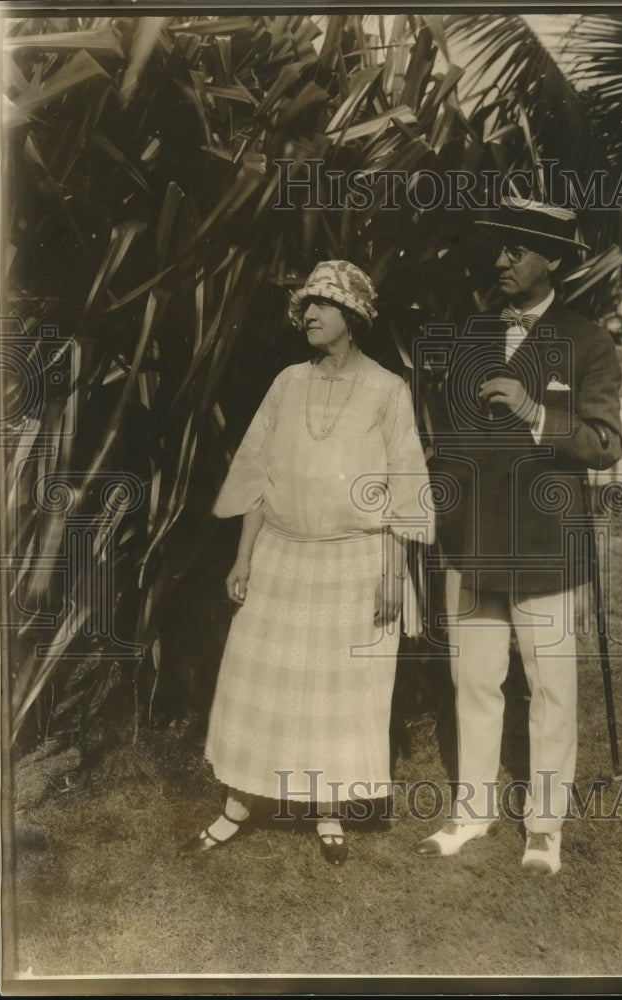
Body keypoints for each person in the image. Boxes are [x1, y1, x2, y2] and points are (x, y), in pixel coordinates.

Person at [182, 260, 434, 866]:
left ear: (351, 316)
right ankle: (240, 803)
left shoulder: (388, 390)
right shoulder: (287, 382)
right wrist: (244, 555)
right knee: (260, 681)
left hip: (357, 564)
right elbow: (257, 477)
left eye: (321, 307)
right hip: (281, 557)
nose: (309, 317)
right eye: (305, 309)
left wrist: (393, 577)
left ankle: (330, 809)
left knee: (340, 691)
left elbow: (404, 489)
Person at [415, 199, 622, 874]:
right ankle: (472, 813)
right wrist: (439, 524)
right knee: (473, 682)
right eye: (498, 248)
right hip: (472, 541)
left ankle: (544, 828)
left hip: (546, 547)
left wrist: (537, 410)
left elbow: (602, 444)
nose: (500, 260)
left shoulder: (588, 340)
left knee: (551, 689)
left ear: (553, 262)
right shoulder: (471, 335)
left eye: (516, 250)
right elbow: (447, 445)